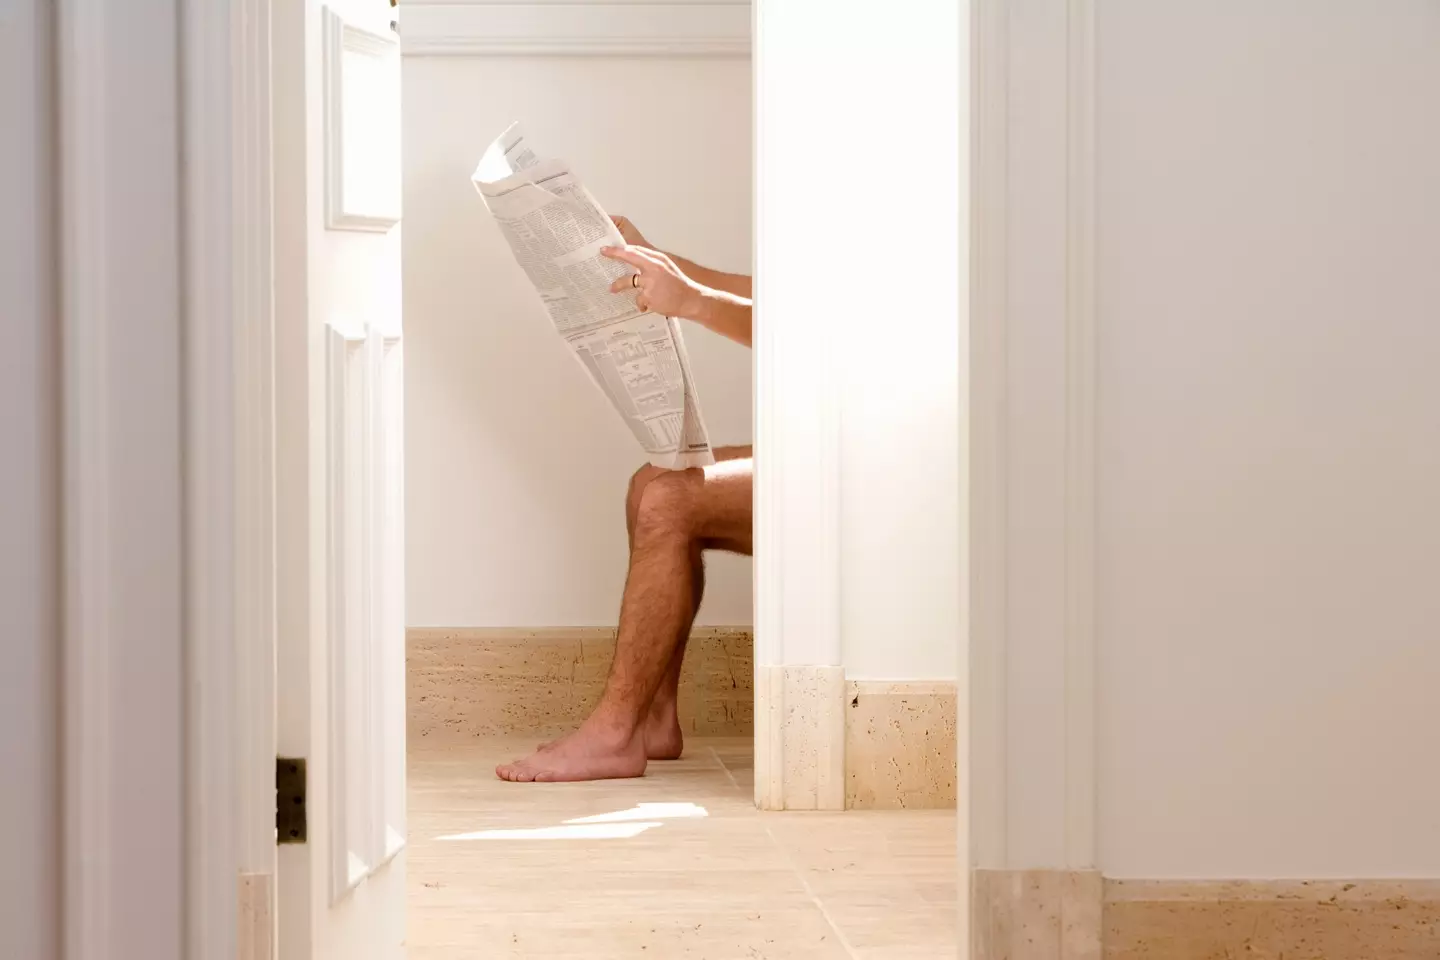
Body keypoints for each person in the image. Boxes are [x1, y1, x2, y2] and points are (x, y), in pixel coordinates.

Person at [496, 217, 754, 782]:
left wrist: (693, 301)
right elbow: (775, 299)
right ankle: (653, 721)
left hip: (860, 474)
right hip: (826, 457)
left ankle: (613, 734)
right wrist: (662, 262)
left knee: (669, 501)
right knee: (649, 486)